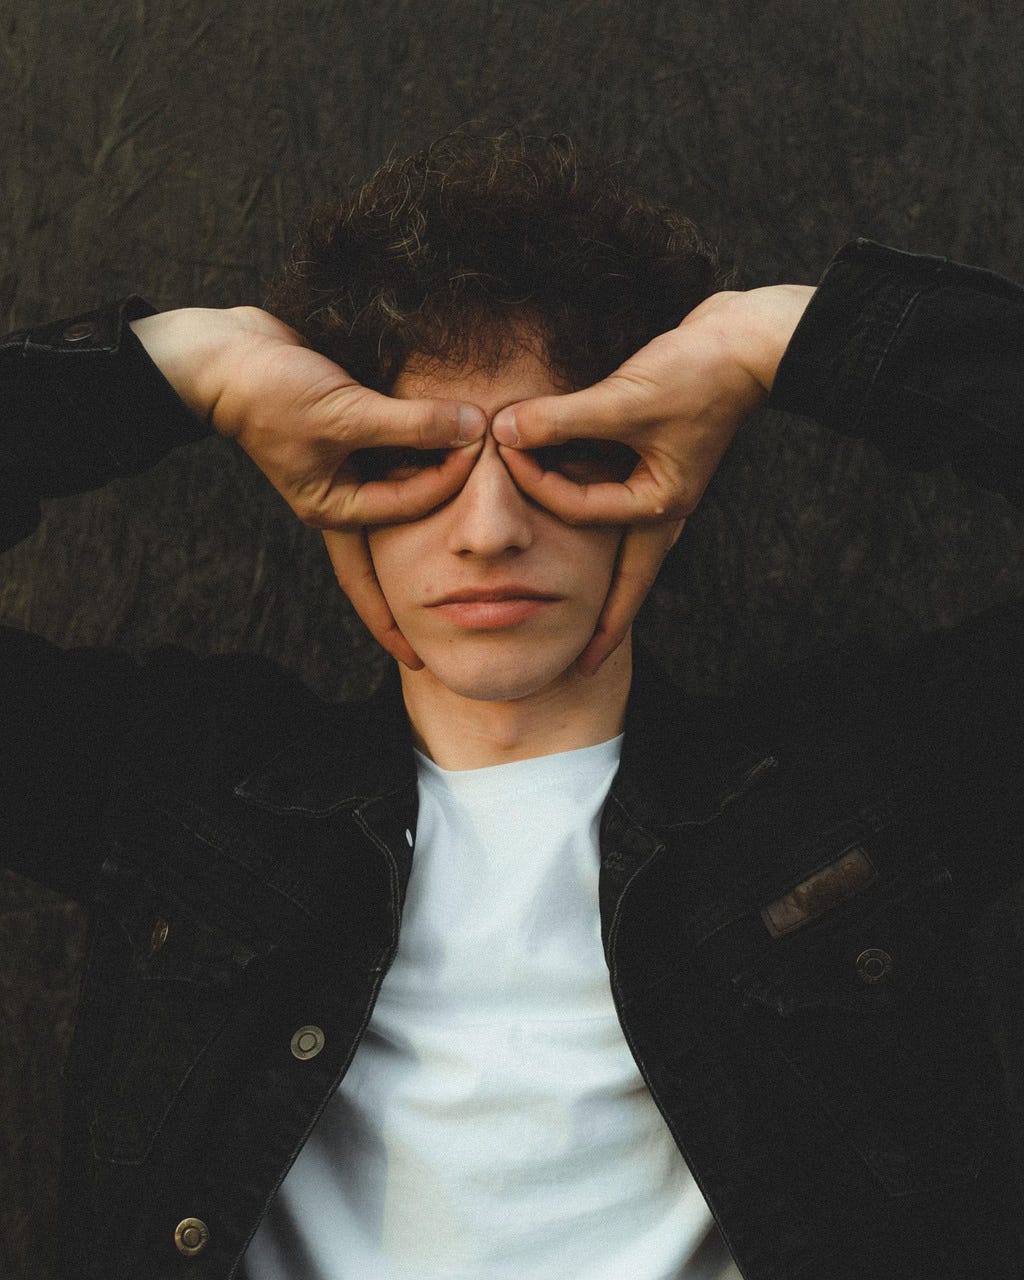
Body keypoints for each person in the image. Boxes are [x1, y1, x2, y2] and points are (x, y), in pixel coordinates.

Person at [1, 131, 1022, 1280]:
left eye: (570, 448)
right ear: (326, 492)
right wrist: (182, 366)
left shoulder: (862, 786)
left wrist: (774, 338)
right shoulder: (179, 794)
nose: (489, 528)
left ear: (669, 484)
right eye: (405, 457)